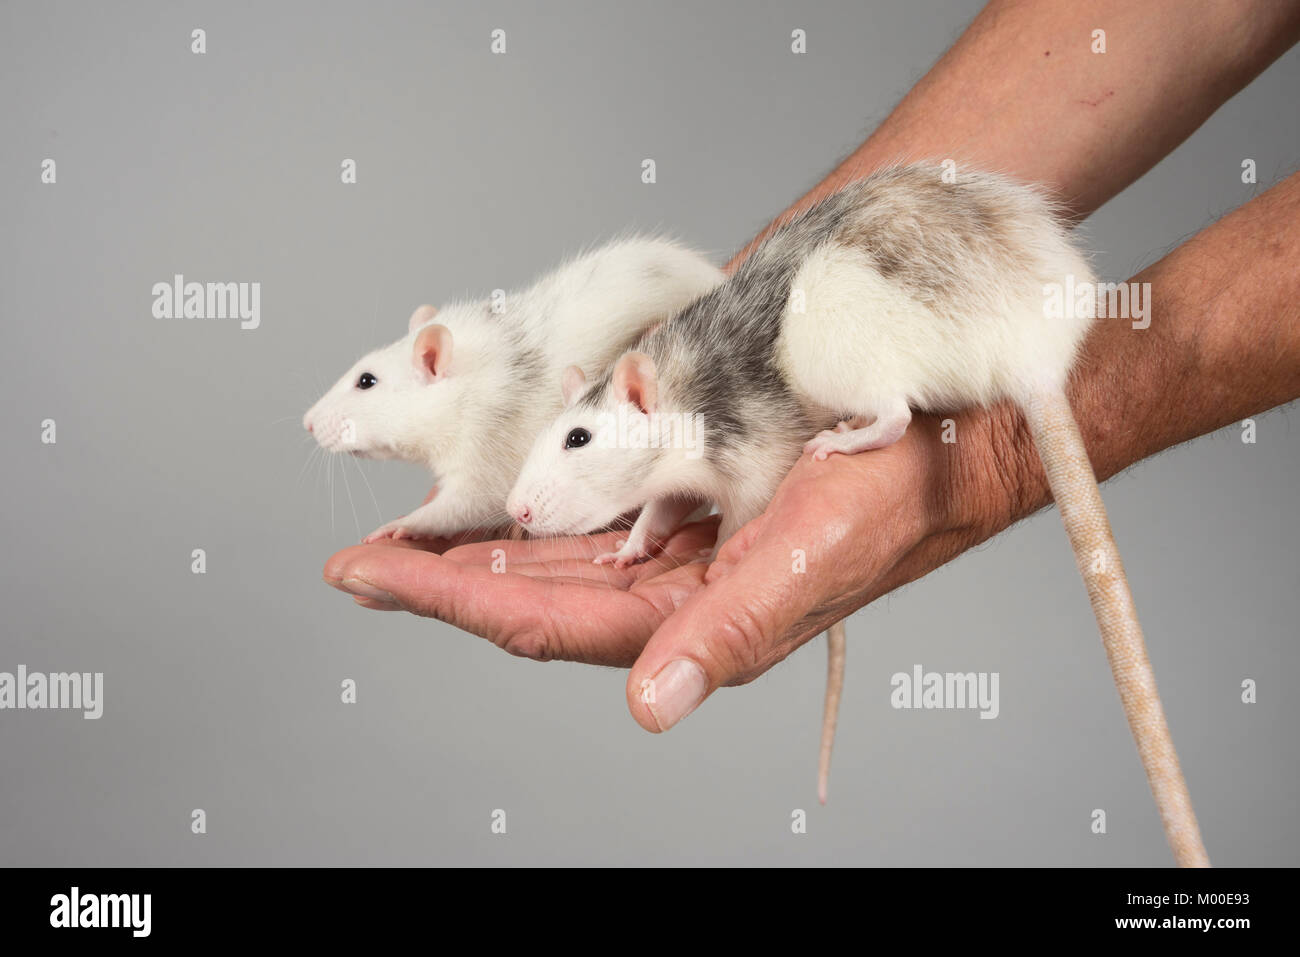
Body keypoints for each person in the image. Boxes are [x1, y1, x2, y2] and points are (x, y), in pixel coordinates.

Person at [324, 0, 1300, 734]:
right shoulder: (657, 405)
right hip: (989, 301)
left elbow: (733, 462)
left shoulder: (675, 405)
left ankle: (895, 403)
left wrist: (1001, 450)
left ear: (633, 387)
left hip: (953, 327)